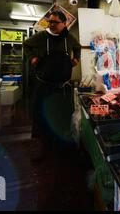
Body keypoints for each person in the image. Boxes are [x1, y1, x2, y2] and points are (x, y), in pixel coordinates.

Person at [24, 10, 81, 161]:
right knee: (41, 119)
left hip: (62, 87)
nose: (51, 25)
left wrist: (77, 60)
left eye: (55, 22)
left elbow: (78, 47)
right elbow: (26, 44)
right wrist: (32, 58)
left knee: (61, 118)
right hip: (43, 86)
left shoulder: (69, 38)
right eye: (50, 22)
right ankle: (41, 150)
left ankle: (60, 148)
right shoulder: (42, 37)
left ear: (64, 24)